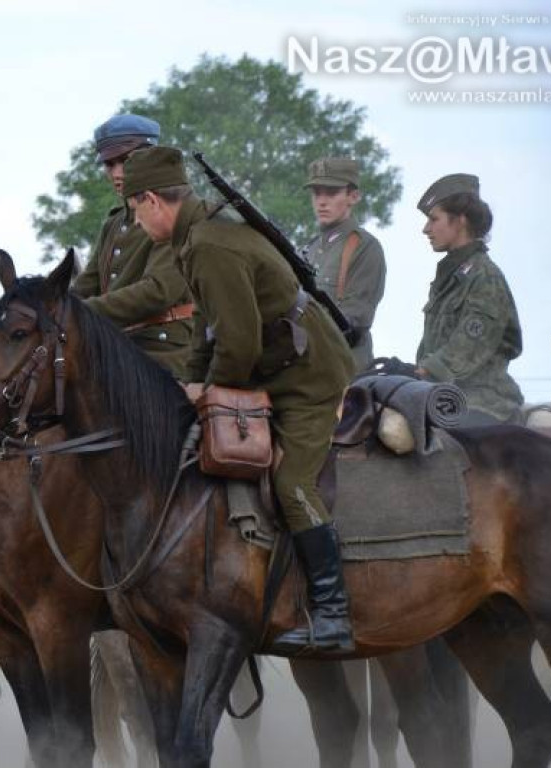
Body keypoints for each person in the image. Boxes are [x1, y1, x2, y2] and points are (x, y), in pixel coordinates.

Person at [122, 146, 356, 653]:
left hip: (309, 374)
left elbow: (241, 342)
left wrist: (210, 390)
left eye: (133, 210)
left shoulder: (209, 245)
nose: (135, 223)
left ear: (151, 201)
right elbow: (211, 329)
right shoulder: (197, 239)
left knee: (292, 481)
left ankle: (333, 613)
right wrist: (185, 385)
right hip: (277, 367)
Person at [73, 114, 193, 377]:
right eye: (109, 164)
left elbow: (159, 291)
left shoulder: (172, 213)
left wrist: (79, 312)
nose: (116, 173)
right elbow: (86, 285)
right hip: (118, 346)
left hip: (166, 350)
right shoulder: (114, 223)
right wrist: (48, 305)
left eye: (125, 161)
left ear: (150, 156)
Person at [415, 173, 523, 426]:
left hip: (482, 403)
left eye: (433, 219)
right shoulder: (453, 276)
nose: (425, 229)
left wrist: (421, 371)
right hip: (446, 397)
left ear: (460, 220)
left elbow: (468, 346)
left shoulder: (484, 277)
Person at [302, 157, 386, 372]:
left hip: (342, 372)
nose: (322, 201)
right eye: (316, 193)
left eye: (331, 193)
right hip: (305, 366)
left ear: (353, 196)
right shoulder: (309, 249)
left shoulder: (365, 247)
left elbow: (354, 320)